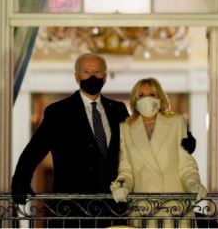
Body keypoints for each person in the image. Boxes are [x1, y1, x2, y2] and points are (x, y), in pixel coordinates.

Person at [11, 53, 197, 226]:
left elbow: (144, 138)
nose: (92, 76)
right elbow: (35, 148)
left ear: (105, 77)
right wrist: (20, 179)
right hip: (73, 210)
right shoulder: (58, 112)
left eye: (97, 72)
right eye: (86, 71)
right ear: (77, 77)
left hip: (113, 208)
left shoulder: (118, 110)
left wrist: (185, 138)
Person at [110, 77, 208, 228]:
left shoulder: (176, 122)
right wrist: (122, 187)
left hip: (175, 208)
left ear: (160, 98)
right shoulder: (126, 128)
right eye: (141, 95)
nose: (147, 99)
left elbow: (186, 165)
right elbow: (126, 170)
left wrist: (193, 184)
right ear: (135, 100)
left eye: (152, 94)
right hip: (143, 209)